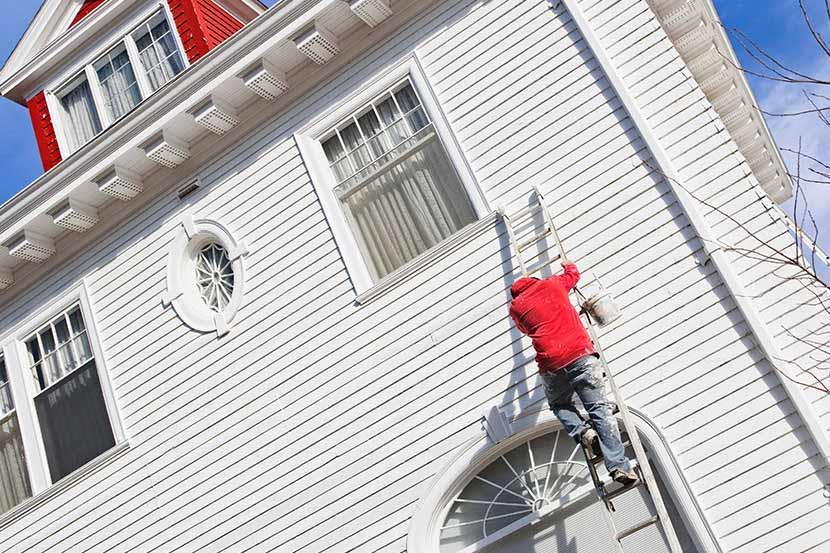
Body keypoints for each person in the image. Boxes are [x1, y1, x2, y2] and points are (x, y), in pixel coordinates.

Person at [509, 258, 638, 485]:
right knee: (599, 410)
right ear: (534, 281)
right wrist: (568, 265)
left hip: (551, 362)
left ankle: (584, 433)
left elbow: (526, 330)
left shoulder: (516, 307)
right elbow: (573, 275)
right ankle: (618, 467)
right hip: (581, 354)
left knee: (559, 404)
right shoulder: (552, 284)